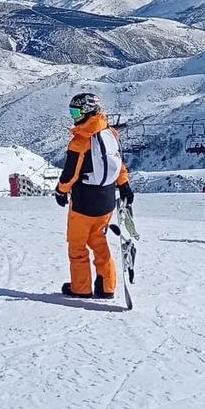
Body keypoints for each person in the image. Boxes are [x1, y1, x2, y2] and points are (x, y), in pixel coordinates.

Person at [54, 92, 133, 298]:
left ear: (87, 111)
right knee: (99, 241)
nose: (73, 116)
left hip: (83, 202)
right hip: (107, 200)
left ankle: (81, 288)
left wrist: (61, 191)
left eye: (76, 111)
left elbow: (71, 173)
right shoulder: (110, 134)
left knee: (78, 246)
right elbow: (119, 163)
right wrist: (124, 185)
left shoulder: (81, 141)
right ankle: (107, 285)